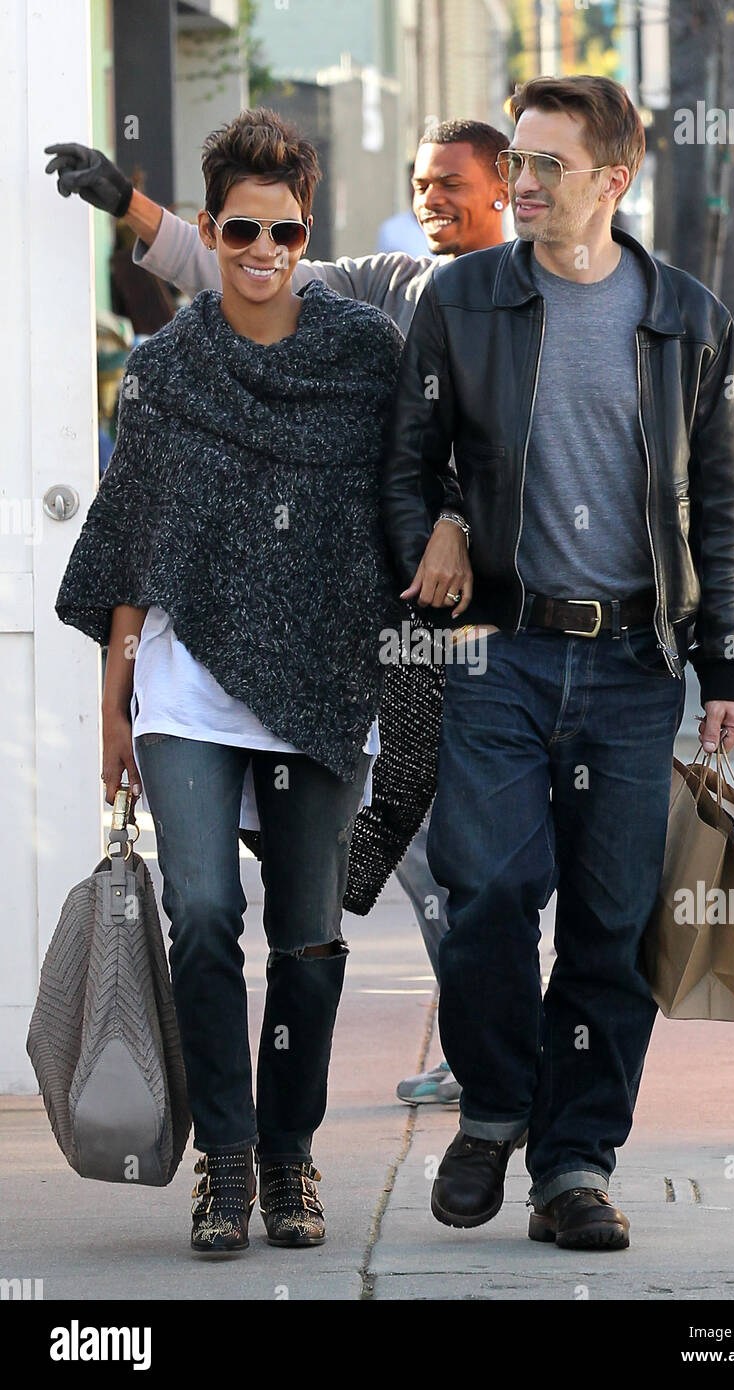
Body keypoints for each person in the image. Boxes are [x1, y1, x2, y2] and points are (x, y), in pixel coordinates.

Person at [46, 115, 511, 1109]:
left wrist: (454, 529)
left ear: (507, 188)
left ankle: (486, 1058)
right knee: (238, 902)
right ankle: (237, 1154)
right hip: (287, 653)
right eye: (420, 179)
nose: (430, 196)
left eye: (451, 182)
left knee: (464, 871)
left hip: (454, 633)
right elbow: (235, 265)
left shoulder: (534, 295)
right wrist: (122, 202)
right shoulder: (388, 289)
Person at [381, 75, 734, 1252]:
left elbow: (718, 508)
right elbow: (405, 467)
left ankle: (574, 1162)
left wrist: (726, 663)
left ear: (613, 179)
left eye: (545, 166)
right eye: (519, 163)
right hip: (497, 648)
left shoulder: (685, 316)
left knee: (609, 919)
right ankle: (493, 1105)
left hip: (635, 665)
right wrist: (433, 531)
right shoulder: (464, 301)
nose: (522, 184)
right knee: (486, 889)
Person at [56, 109, 403, 1255]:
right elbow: (131, 544)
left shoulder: (362, 357)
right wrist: (114, 701)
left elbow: (414, 490)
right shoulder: (162, 368)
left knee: (306, 935)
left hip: (316, 677)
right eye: (241, 228)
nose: (264, 250)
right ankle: (228, 1158)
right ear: (210, 227)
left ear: (309, 232)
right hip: (184, 689)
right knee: (203, 915)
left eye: (286, 230)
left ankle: (292, 1155)